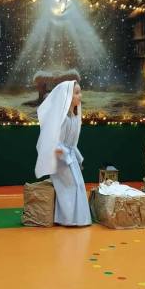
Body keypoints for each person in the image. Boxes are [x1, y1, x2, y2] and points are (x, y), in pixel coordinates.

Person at [34, 80, 91, 226]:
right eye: (76, 93)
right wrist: (66, 157)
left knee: (78, 183)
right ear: (68, 97)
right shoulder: (63, 119)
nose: (80, 96)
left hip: (68, 157)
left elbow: (71, 145)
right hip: (60, 160)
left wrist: (77, 158)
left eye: (79, 92)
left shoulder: (74, 118)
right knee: (71, 186)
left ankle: (77, 218)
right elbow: (56, 144)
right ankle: (68, 218)